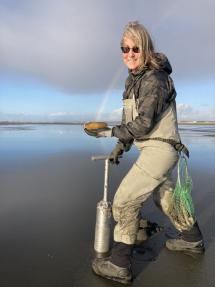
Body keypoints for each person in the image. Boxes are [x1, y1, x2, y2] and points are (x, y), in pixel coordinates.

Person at [84, 21, 204, 284]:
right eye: (124, 48)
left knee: (125, 201)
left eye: (135, 48)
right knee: (166, 198)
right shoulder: (133, 80)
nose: (129, 53)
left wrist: (109, 133)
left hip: (160, 150)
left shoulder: (154, 78)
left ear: (146, 48)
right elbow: (133, 123)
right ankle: (192, 239)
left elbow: (144, 123)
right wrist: (120, 146)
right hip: (155, 148)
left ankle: (119, 265)